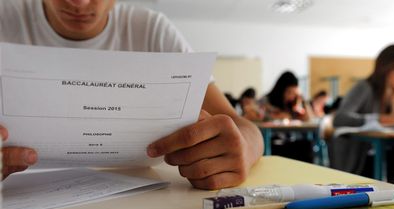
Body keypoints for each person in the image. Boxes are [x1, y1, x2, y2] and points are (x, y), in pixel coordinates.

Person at [0, 0, 264, 190]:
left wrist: (243, 148)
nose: (78, 2)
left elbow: (242, 128)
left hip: (143, 207)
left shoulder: (151, 30)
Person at [331, 44, 394, 188]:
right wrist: (386, 119)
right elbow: (339, 118)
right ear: (386, 68)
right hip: (365, 159)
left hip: (387, 151)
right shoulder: (364, 87)